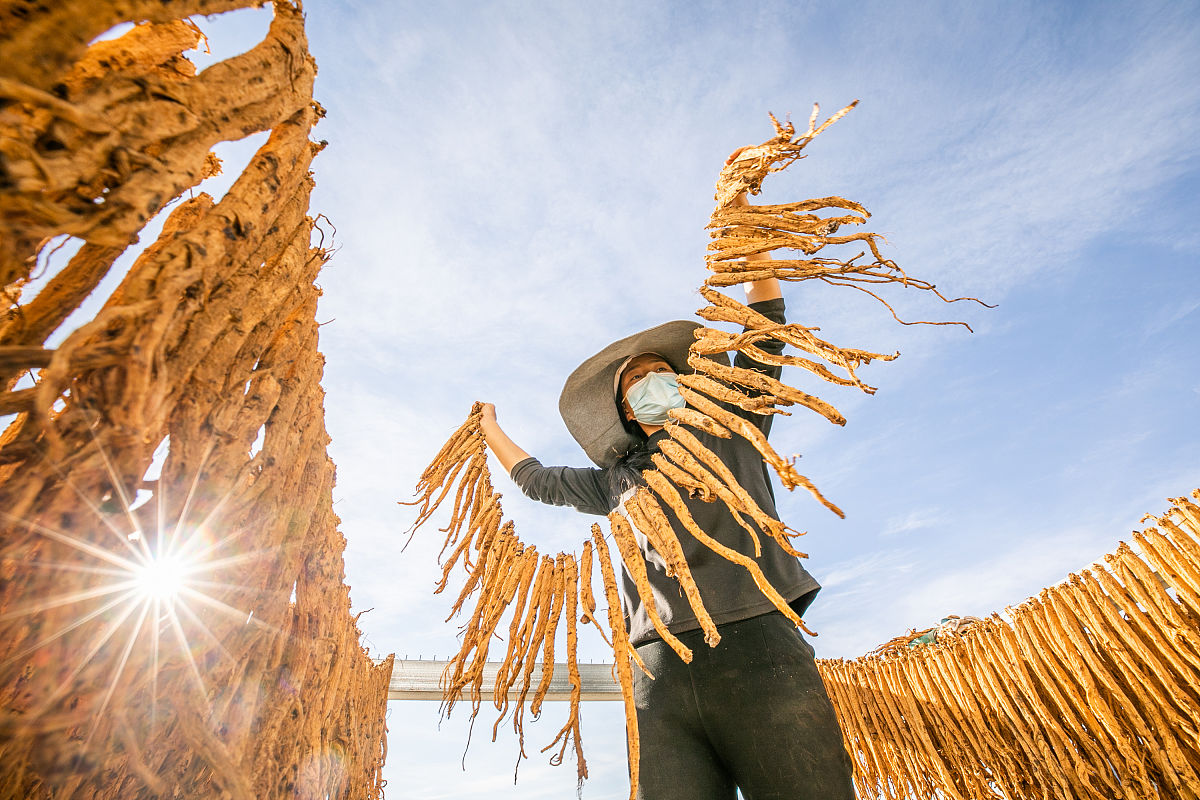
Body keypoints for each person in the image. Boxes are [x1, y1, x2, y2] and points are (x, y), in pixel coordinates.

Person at [479, 189, 854, 800]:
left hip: (757, 647)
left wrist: (750, 244)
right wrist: (490, 426)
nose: (651, 382)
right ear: (627, 410)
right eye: (637, 383)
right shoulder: (616, 481)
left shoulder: (732, 429)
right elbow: (538, 480)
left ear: (684, 383)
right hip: (658, 671)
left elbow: (766, 331)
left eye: (660, 372)